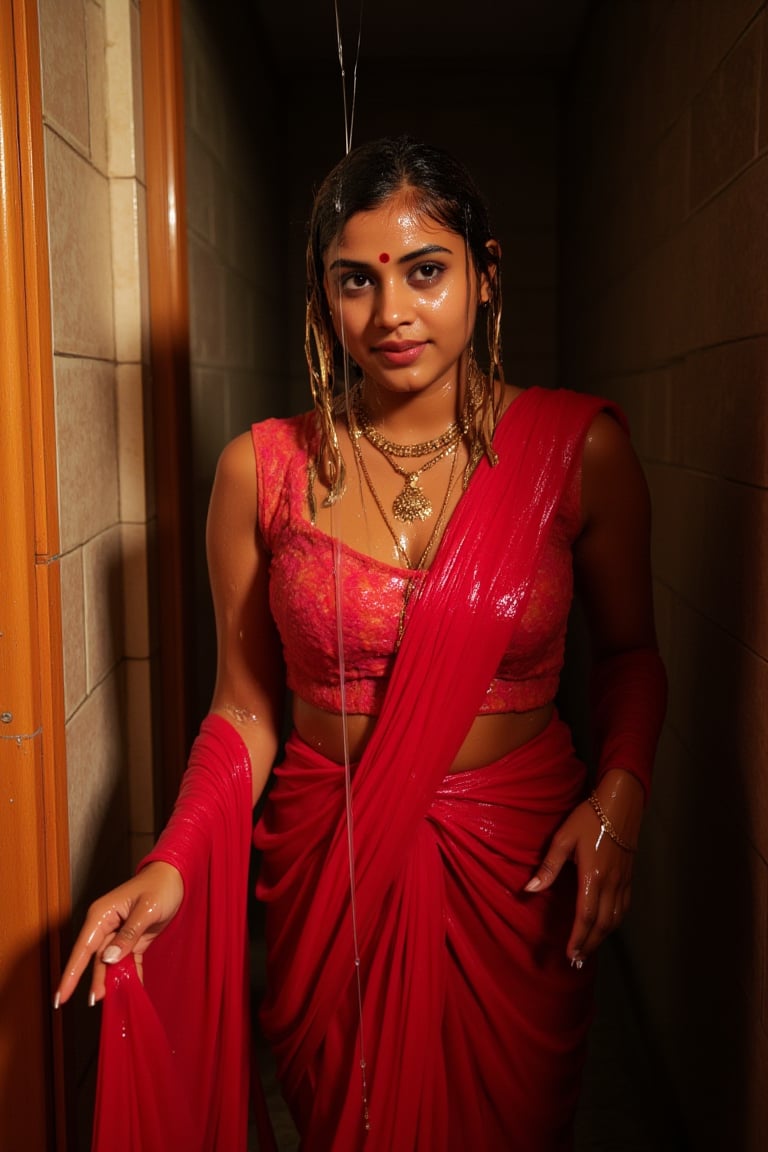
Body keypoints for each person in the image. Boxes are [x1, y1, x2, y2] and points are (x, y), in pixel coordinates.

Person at [55, 135, 667, 1152]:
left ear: (485, 275)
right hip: (329, 866)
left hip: (516, 876)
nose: (390, 315)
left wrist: (621, 801)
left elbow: (635, 657)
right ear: (321, 297)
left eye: (426, 271)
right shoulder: (264, 470)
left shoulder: (579, 453)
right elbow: (244, 710)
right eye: (356, 282)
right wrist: (172, 861)